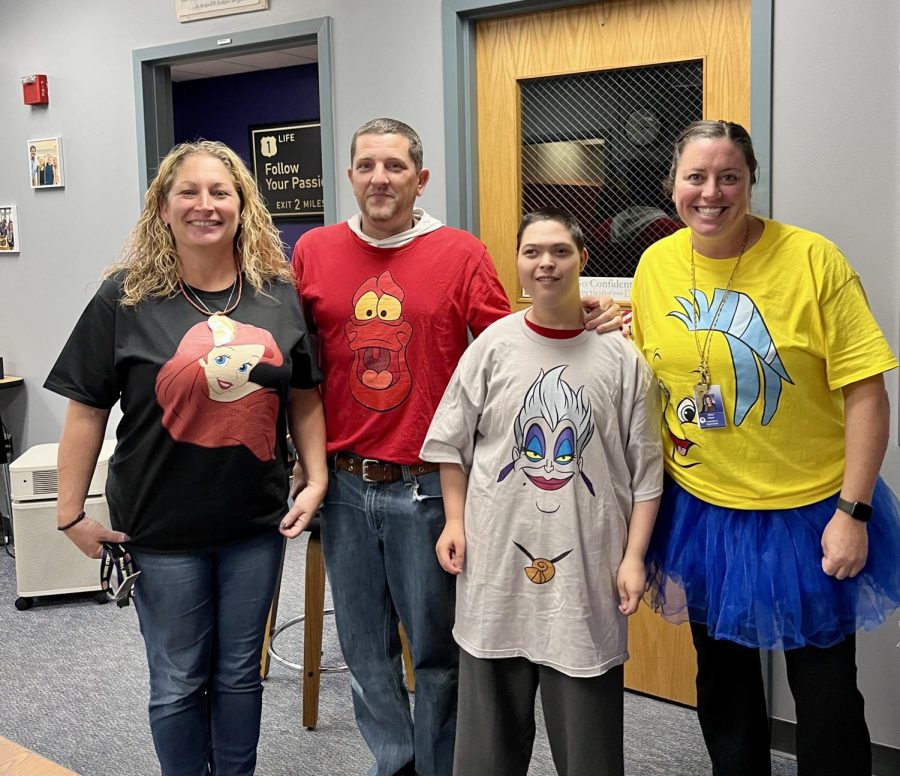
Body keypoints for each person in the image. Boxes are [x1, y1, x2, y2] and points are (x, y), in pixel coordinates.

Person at [290, 118, 622, 776]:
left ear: (421, 178)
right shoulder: (313, 252)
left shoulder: (461, 253)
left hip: (426, 488)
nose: (379, 178)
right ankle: (396, 763)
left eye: (394, 166)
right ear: (350, 174)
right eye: (366, 166)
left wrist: (572, 319)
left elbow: (513, 345)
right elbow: (297, 367)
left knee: (441, 657)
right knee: (364, 653)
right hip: (345, 484)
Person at [46, 139, 328, 776]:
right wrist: (69, 513)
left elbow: (306, 393)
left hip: (254, 525)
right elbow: (86, 409)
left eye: (220, 192)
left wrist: (316, 476)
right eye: (189, 193)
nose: (206, 205)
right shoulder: (123, 299)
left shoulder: (276, 295)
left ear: (243, 206)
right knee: (177, 680)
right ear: (163, 208)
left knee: (237, 676)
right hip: (159, 527)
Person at [630, 120, 900, 776]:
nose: (711, 192)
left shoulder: (813, 260)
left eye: (729, 176)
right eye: (696, 177)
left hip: (810, 510)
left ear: (751, 181)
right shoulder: (657, 264)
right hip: (701, 507)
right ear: (673, 187)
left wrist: (853, 513)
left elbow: (867, 394)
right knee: (722, 683)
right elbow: (650, 376)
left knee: (827, 690)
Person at [421, 208, 662, 776]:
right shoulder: (492, 348)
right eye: (532, 252)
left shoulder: (622, 359)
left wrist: (633, 558)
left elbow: (647, 475)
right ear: (518, 265)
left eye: (559, 251)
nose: (546, 263)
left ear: (583, 260)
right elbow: (451, 445)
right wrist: (454, 521)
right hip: (494, 567)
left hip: (588, 573)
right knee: (487, 744)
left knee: (589, 747)